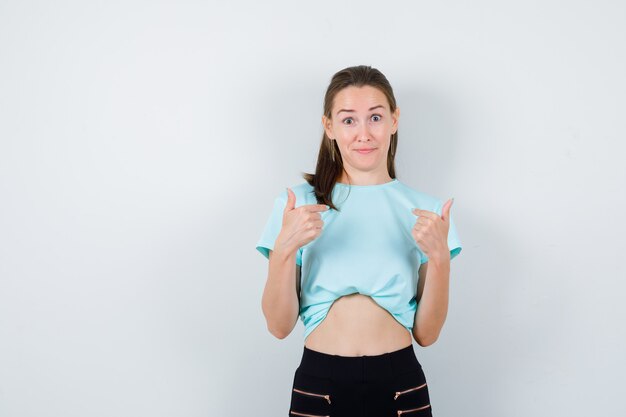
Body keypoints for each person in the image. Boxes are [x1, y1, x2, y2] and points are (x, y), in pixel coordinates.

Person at [256, 65, 462, 417]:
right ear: (329, 126)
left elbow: (427, 334)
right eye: (349, 120)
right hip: (320, 383)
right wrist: (284, 251)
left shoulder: (427, 213)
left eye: (376, 117)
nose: (363, 133)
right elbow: (278, 327)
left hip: (400, 383)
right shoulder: (297, 205)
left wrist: (440, 260)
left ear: (394, 121)